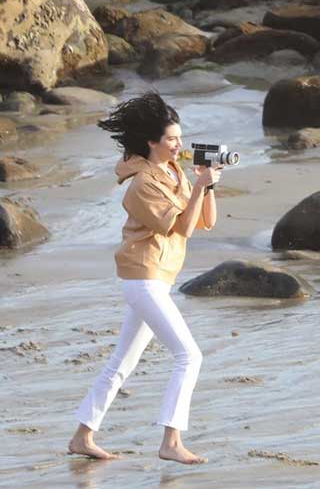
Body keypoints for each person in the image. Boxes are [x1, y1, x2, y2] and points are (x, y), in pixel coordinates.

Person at [68, 92, 222, 464]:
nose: (178, 145)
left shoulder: (175, 173)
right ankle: (171, 441)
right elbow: (181, 230)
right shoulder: (143, 184)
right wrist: (199, 187)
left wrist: (207, 183)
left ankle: (82, 437)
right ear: (152, 142)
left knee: (122, 362)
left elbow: (207, 221)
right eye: (171, 139)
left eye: (180, 138)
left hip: (158, 277)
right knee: (189, 356)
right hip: (143, 277)